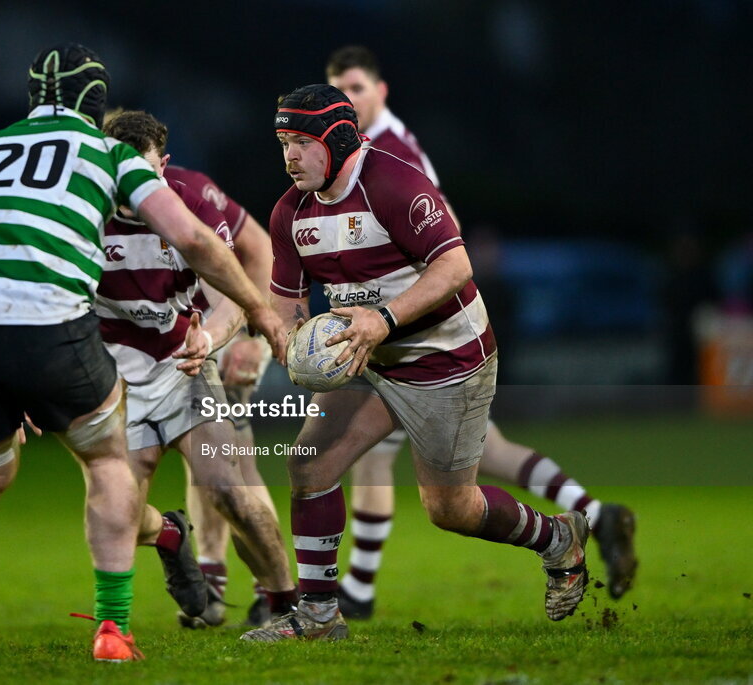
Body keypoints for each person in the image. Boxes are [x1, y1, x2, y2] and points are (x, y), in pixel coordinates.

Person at [0, 43, 287, 663]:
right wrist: (258, 312)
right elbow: (195, 240)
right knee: (110, 471)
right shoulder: (107, 155)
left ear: (33, 96)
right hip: (64, 341)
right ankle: (114, 630)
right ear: (97, 104)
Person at [241, 84, 589, 643]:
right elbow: (286, 302)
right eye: (283, 141)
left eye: (302, 142)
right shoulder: (290, 211)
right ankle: (319, 617)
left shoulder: (392, 183)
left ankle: (558, 538)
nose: (290, 156)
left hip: (446, 359)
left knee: (450, 509)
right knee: (309, 466)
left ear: (334, 138)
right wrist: (281, 336)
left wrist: (382, 318)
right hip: (370, 362)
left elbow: (455, 267)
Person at [325, 45, 637, 619]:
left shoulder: (387, 154)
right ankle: (591, 512)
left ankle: (358, 594)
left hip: (421, 337)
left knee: (367, 460)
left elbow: (448, 242)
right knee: (485, 453)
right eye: (339, 91)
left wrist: (386, 311)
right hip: (423, 335)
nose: (349, 100)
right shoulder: (366, 153)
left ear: (381, 90)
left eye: (357, 88)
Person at [98, 110, 299, 629]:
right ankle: (177, 543)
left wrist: (238, 333)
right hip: (115, 378)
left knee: (230, 484)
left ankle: (286, 602)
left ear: (164, 166)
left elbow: (244, 267)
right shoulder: (80, 212)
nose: (131, 189)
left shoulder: (191, 199)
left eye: (143, 173)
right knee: (117, 512)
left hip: (188, 362)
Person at [162, 164, 284, 628]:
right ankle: (216, 584)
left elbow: (260, 249)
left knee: (234, 462)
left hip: (226, 332)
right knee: (204, 458)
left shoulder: (186, 189)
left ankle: (269, 591)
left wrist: (255, 330)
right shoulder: (111, 199)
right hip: (188, 339)